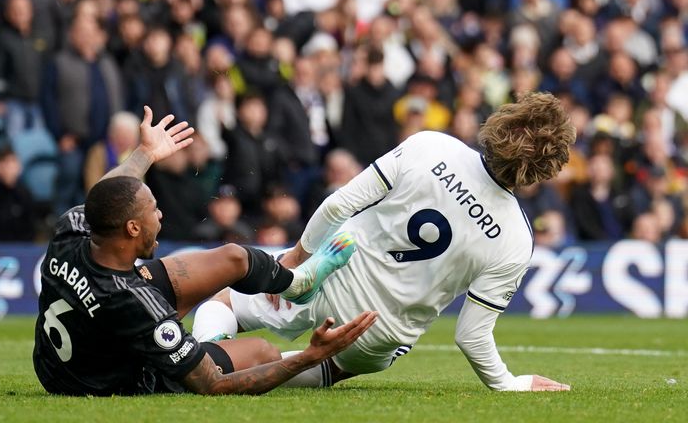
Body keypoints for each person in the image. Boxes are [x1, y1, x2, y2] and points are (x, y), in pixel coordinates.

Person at [194, 92, 574, 391]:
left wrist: (294, 261)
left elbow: (338, 204)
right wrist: (511, 383)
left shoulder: (432, 146)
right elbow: (471, 336)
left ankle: (200, 361)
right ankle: (260, 369)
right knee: (329, 366)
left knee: (222, 302)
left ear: (501, 120)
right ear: (546, 170)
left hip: (331, 271)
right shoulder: (516, 239)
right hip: (376, 336)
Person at [33, 106, 377, 396]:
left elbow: (108, 193)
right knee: (263, 351)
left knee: (234, 257)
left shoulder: (74, 228)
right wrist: (309, 356)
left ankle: (296, 283)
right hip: (113, 376)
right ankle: (203, 343)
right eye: (153, 210)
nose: (161, 214)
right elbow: (212, 385)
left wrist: (146, 153)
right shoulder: (133, 302)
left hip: (73, 349)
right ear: (133, 228)